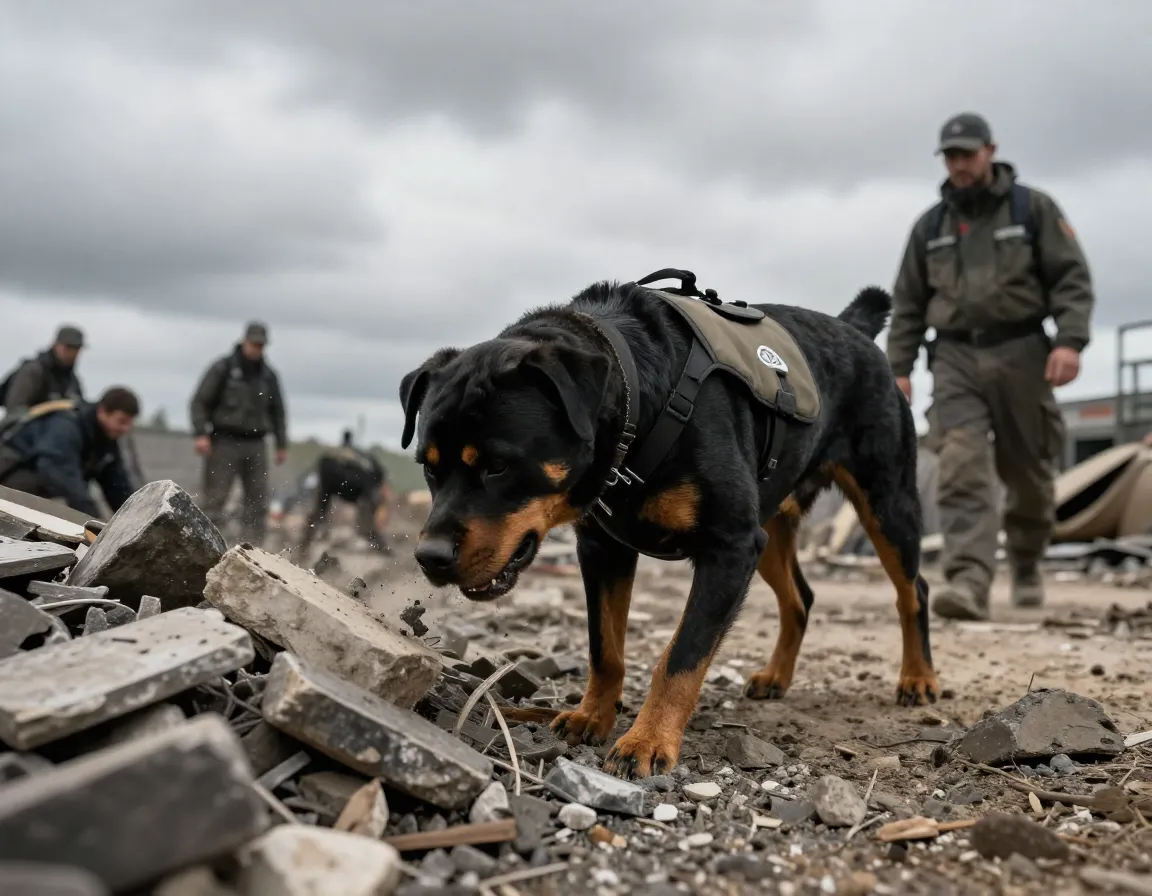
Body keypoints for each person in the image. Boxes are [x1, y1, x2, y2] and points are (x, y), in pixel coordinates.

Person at [887, 112, 1096, 621]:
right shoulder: (930, 227)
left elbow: (1070, 277)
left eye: (967, 153)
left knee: (1028, 472)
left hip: (1024, 353)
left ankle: (1025, 563)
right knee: (961, 464)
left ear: (990, 150)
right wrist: (898, 368)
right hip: (955, 357)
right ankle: (968, 581)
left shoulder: (1033, 209)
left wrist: (1070, 341)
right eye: (950, 155)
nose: (959, 164)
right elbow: (909, 303)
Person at [189, 321, 288, 546]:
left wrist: (282, 444)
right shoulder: (223, 369)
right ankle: (203, 546)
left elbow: (279, 411)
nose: (257, 349)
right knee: (215, 499)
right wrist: (200, 433)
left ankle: (252, 549)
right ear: (244, 341)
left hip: (257, 444)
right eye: (254, 344)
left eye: (261, 345)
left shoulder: (269, 376)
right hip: (224, 441)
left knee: (257, 502)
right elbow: (199, 402)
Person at [0, 387, 140, 518]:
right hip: (12, 476)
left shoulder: (106, 439)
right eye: (121, 421)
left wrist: (135, 518)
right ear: (103, 412)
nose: (125, 429)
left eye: (129, 423)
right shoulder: (65, 427)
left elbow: (116, 485)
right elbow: (61, 474)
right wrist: (93, 521)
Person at [298, 429, 393, 556]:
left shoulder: (337, 456)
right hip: (347, 484)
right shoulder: (370, 469)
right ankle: (381, 549)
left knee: (317, 515)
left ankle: (302, 549)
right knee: (367, 524)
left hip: (333, 481)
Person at [0, 325, 86, 414]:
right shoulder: (33, 372)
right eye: (68, 347)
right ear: (55, 344)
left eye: (76, 349)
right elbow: (14, 411)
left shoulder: (72, 381)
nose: (71, 353)